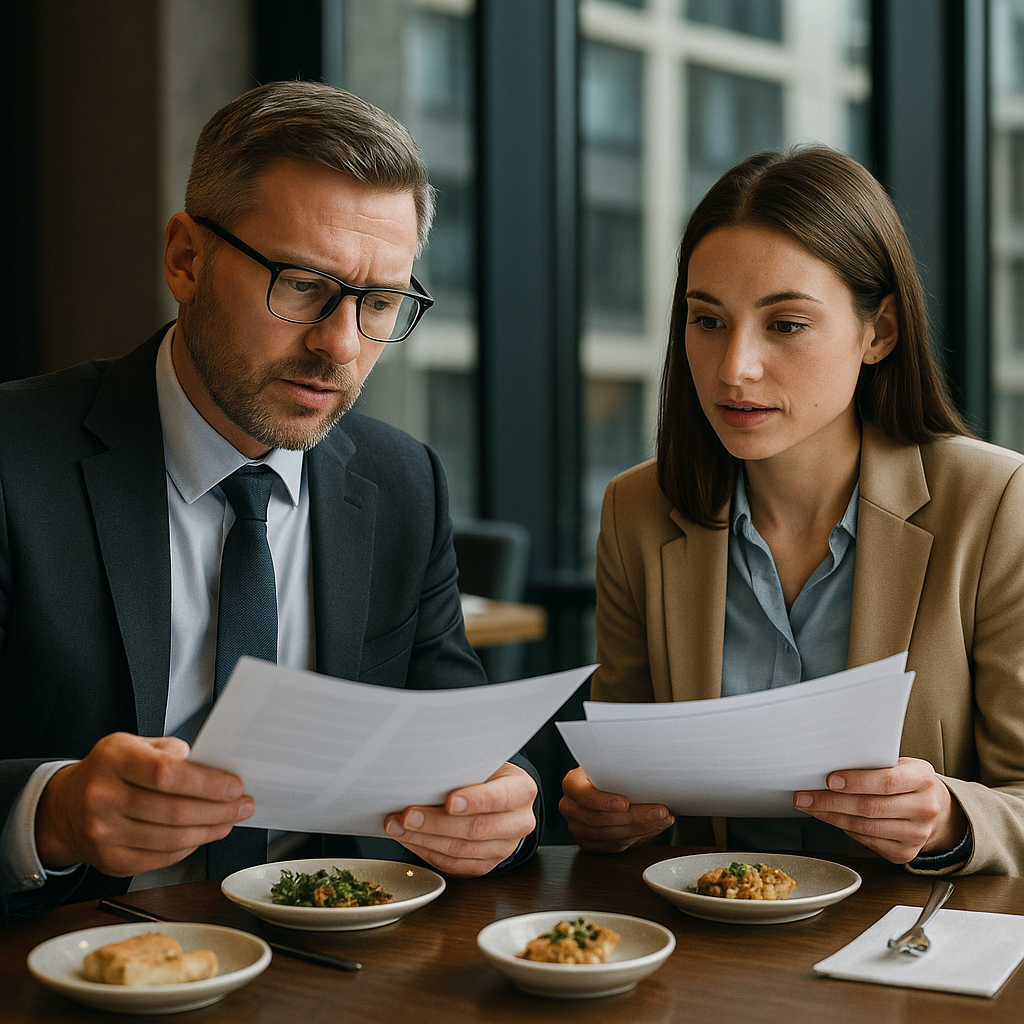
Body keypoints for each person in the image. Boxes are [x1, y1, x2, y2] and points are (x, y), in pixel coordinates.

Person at [0, 81, 540, 920]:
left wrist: (504, 803)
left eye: (380, 303)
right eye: (301, 285)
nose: (340, 343)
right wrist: (54, 813)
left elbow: (463, 738)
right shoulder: (13, 459)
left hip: (339, 953)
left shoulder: (403, 482)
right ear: (186, 258)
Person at [560, 147, 1024, 876]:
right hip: (707, 941)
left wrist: (949, 818)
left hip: (905, 946)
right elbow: (625, 785)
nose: (734, 366)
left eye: (786, 325)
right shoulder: (637, 511)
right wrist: (607, 814)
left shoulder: (993, 504)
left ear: (880, 333)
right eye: (708, 320)